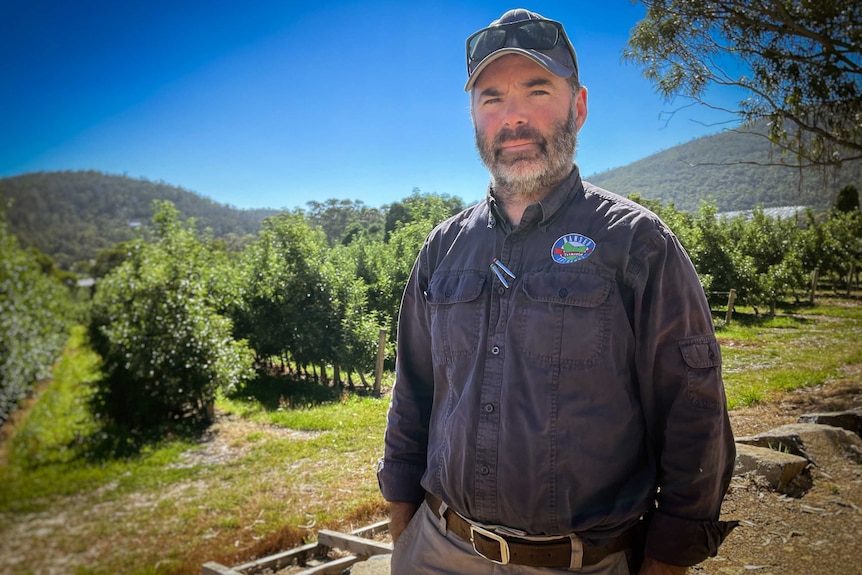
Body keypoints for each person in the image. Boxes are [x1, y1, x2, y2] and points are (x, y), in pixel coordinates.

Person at [377, 8, 737, 574]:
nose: (513, 116)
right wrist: (404, 533)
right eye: (491, 98)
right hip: (438, 550)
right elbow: (413, 397)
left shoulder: (638, 245)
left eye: (537, 90)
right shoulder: (442, 249)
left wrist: (668, 559)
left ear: (580, 106)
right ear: (474, 117)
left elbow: (694, 416)